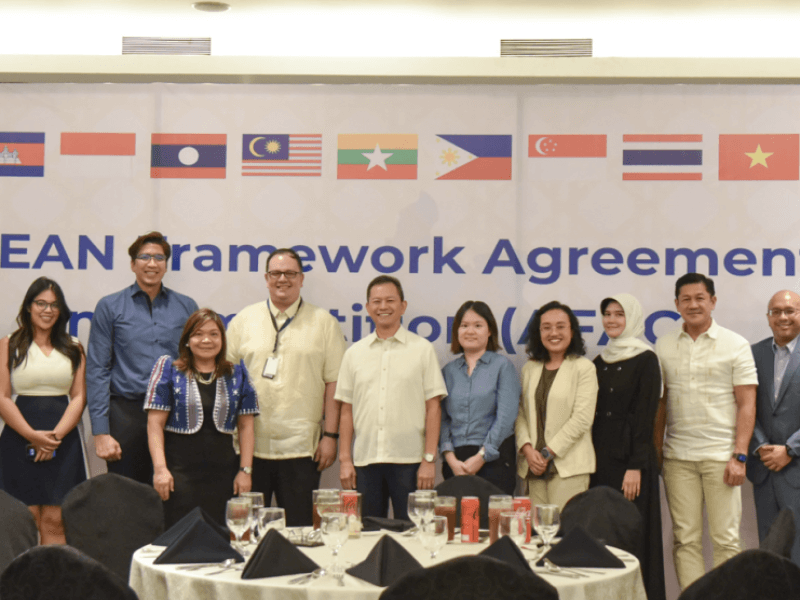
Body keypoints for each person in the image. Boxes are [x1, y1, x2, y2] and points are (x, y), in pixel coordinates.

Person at [226, 248, 347, 526]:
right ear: (266, 278)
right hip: (249, 447)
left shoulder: (324, 323)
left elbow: (334, 384)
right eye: (276, 273)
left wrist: (331, 435)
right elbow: (227, 378)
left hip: (301, 448)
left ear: (302, 278)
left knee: (300, 529)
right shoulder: (244, 320)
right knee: (249, 530)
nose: (283, 279)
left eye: (290, 273)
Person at [654, 273, 757, 590]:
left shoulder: (735, 343)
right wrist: (657, 452)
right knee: (685, 540)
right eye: (686, 299)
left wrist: (739, 455)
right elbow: (661, 404)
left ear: (713, 301)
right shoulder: (664, 344)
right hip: (678, 459)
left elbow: (746, 404)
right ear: (676, 305)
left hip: (721, 458)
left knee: (726, 540)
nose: (693, 304)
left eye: (700, 298)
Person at [86, 231, 198, 485]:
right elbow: (97, 370)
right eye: (145, 257)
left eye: (159, 258)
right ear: (133, 263)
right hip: (126, 414)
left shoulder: (186, 306)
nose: (152, 263)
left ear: (166, 265)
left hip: (175, 413)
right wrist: (101, 431)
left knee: (174, 492)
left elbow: (197, 363)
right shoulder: (110, 306)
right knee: (126, 497)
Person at [337, 275, 447, 520]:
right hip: (365, 462)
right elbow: (346, 410)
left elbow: (434, 408)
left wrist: (429, 459)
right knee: (366, 534)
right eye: (376, 301)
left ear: (403, 306)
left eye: (390, 300)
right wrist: (345, 459)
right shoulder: (354, 353)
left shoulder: (422, 349)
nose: (383, 307)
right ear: (367, 308)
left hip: (410, 462)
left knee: (412, 535)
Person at [144, 308, 258, 528]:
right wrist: (160, 470)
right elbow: (154, 424)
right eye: (198, 334)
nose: (206, 340)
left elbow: (246, 427)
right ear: (187, 340)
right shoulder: (169, 371)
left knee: (221, 539)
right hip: (179, 476)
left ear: (222, 340)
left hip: (224, 477)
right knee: (180, 538)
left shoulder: (237, 375)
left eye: (214, 334)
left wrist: (245, 471)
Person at [0, 277, 87, 544]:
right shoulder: (9, 344)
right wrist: (32, 436)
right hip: (18, 437)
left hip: (64, 440)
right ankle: (19, 586)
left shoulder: (74, 346)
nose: (47, 310)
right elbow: (2, 397)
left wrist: (52, 439)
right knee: (22, 520)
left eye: (54, 304)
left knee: (55, 519)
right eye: (41, 303)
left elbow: (79, 396)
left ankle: (54, 586)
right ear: (29, 306)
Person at [590, 293, 666, 600]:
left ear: (632, 318)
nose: (611, 320)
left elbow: (646, 416)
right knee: (603, 534)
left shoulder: (646, 358)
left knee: (633, 536)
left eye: (619, 314)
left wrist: (635, 466)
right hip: (600, 461)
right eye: (607, 314)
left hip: (632, 464)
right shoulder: (599, 361)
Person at [516, 300, 598, 510]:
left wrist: (547, 453)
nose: (554, 333)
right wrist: (527, 450)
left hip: (569, 468)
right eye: (546, 327)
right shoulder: (529, 368)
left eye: (561, 326)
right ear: (538, 332)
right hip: (532, 469)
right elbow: (521, 414)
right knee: (535, 539)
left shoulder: (584, 368)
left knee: (564, 537)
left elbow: (582, 419)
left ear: (572, 331)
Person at [439, 300, 519, 495]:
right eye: (464, 326)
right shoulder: (448, 371)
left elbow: (506, 418)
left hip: (494, 459)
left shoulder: (503, 367)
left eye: (478, 325)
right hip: (456, 463)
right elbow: (441, 419)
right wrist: (450, 459)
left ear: (489, 330)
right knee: (456, 524)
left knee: (491, 524)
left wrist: (482, 456)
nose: (470, 331)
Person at [748, 290, 800, 567]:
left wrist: (791, 449)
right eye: (776, 311)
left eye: (790, 311)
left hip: (797, 468)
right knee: (767, 554)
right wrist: (760, 446)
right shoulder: (754, 352)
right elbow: (744, 406)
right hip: (764, 467)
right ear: (768, 317)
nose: (783, 317)